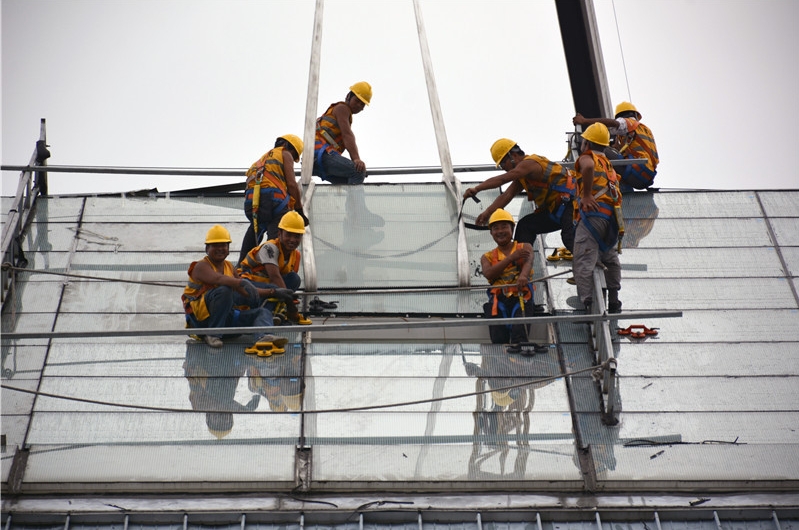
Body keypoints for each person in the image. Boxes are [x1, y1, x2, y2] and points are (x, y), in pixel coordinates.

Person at [464, 139, 576, 252]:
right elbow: (507, 195)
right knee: (525, 226)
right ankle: (520, 265)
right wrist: (487, 213)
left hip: (574, 204)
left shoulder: (530, 163)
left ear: (513, 155)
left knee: (569, 237)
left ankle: (589, 267)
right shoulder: (523, 176)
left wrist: (477, 188)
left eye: (503, 163)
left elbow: (503, 179)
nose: (503, 167)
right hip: (559, 210)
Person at [182, 224, 283, 349]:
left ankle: (264, 336)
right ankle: (213, 334)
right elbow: (218, 279)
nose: (220, 249)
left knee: (262, 312)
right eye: (215, 245)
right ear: (207, 248)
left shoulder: (229, 267)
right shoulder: (201, 266)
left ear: (228, 248)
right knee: (224, 290)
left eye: (223, 245)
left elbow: (246, 292)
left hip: (225, 320)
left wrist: (274, 292)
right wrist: (241, 282)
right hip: (203, 322)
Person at [313, 81, 383, 227]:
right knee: (357, 171)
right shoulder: (342, 108)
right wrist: (356, 160)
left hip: (318, 162)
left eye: (362, 104)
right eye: (357, 100)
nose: (358, 106)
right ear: (348, 96)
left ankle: (351, 223)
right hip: (322, 154)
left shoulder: (340, 112)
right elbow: (347, 134)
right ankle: (358, 217)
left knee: (353, 180)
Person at [572, 123, 623, 315]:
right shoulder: (608, 164)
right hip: (612, 220)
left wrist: (585, 195)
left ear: (586, 143)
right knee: (610, 258)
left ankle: (588, 305)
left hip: (593, 216)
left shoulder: (588, 157)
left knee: (584, 259)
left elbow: (588, 167)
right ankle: (614, 301)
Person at [481, 209, 545, 354]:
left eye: (504, 226)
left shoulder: (524, 247)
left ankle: (520, 367)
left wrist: (523, 276)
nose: (500, 231)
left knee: (520, 334)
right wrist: (511, 258)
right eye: (495, 228)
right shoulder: (487, 257)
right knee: (498, 338)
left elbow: (528, 262)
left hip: (521, 297)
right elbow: (489, 274)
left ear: (512, 228)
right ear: (491, 232)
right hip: (499, 300)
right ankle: (501, 370)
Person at [239, 134, 306, 264]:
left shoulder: (260, 161)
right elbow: (292, 184)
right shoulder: (285, 153)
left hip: (252, 204)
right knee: (277, 237)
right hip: (273, 202)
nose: (292, 157)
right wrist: (300, 211)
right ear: (286, 146)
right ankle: (273, 268)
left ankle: (241, 267)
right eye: (294, 154)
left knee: (255, 228)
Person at [236, 211, 311, 325]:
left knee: (294, 279)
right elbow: (275, 276)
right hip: (247, 285)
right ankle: (266, 315)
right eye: (288, 234)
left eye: (297, 236)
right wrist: (291, 307)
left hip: (268, 287)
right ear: (279, 234)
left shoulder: (295, 255)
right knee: (275, 288)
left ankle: (276, 311)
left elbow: (285, 284)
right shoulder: (269, 248)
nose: (292, 240)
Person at [573, 101, 658, 193]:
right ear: (636, 115)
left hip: (636, 172)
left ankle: (591, 178)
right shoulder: (644, 130)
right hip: (646, 176)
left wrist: (584, 121)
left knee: (598, 146)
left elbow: (614, 124)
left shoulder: (628, 122)